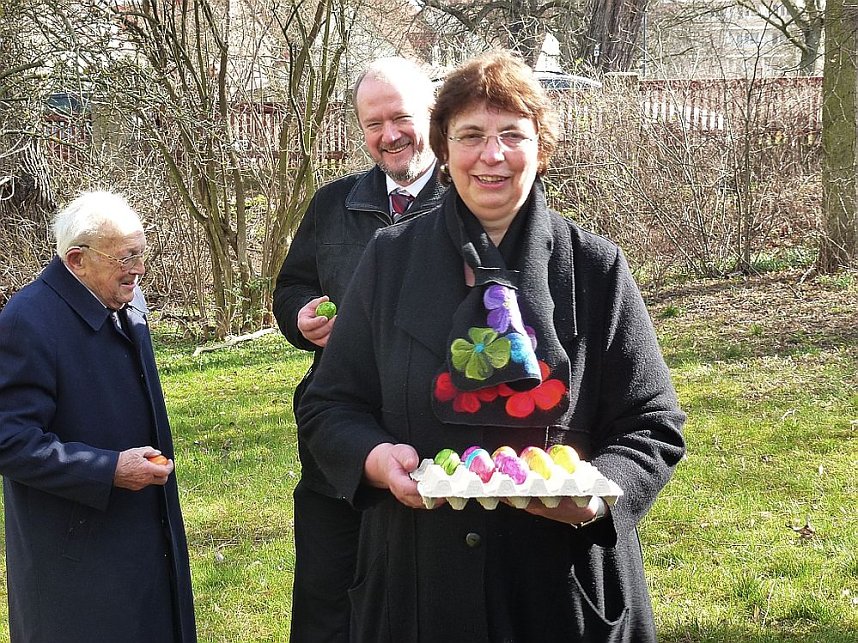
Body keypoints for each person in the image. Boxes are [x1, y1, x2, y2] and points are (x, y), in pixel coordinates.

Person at [297, 50, 687, 642]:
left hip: (562, 593)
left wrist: (599, 493)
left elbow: (653, 425)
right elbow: (330, 406)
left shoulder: (595, 269)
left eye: (512, 134)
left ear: (541, 148)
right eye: (472, 135)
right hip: (419, 588)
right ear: (445, 148)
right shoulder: (389, 260)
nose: (492, 154)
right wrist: (374, 459)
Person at [272, 56, 445, 642]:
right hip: (336, 437)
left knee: (418, 601)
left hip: (428, 433)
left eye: (401, 118)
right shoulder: (332, 203)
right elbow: (293, 283)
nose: (388, 135)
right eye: (373, 124)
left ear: (432, 113)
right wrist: (299, 318)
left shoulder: (468, 200)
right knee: (327, 595)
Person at [0, 191, 196, 642]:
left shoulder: (126, 299)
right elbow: (9, 440)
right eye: (125, 257)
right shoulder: (27, 321)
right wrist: (107, 469)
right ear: (76, 260)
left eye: (141, 252)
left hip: (146, 530)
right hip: (75, 553)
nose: (139, 268)